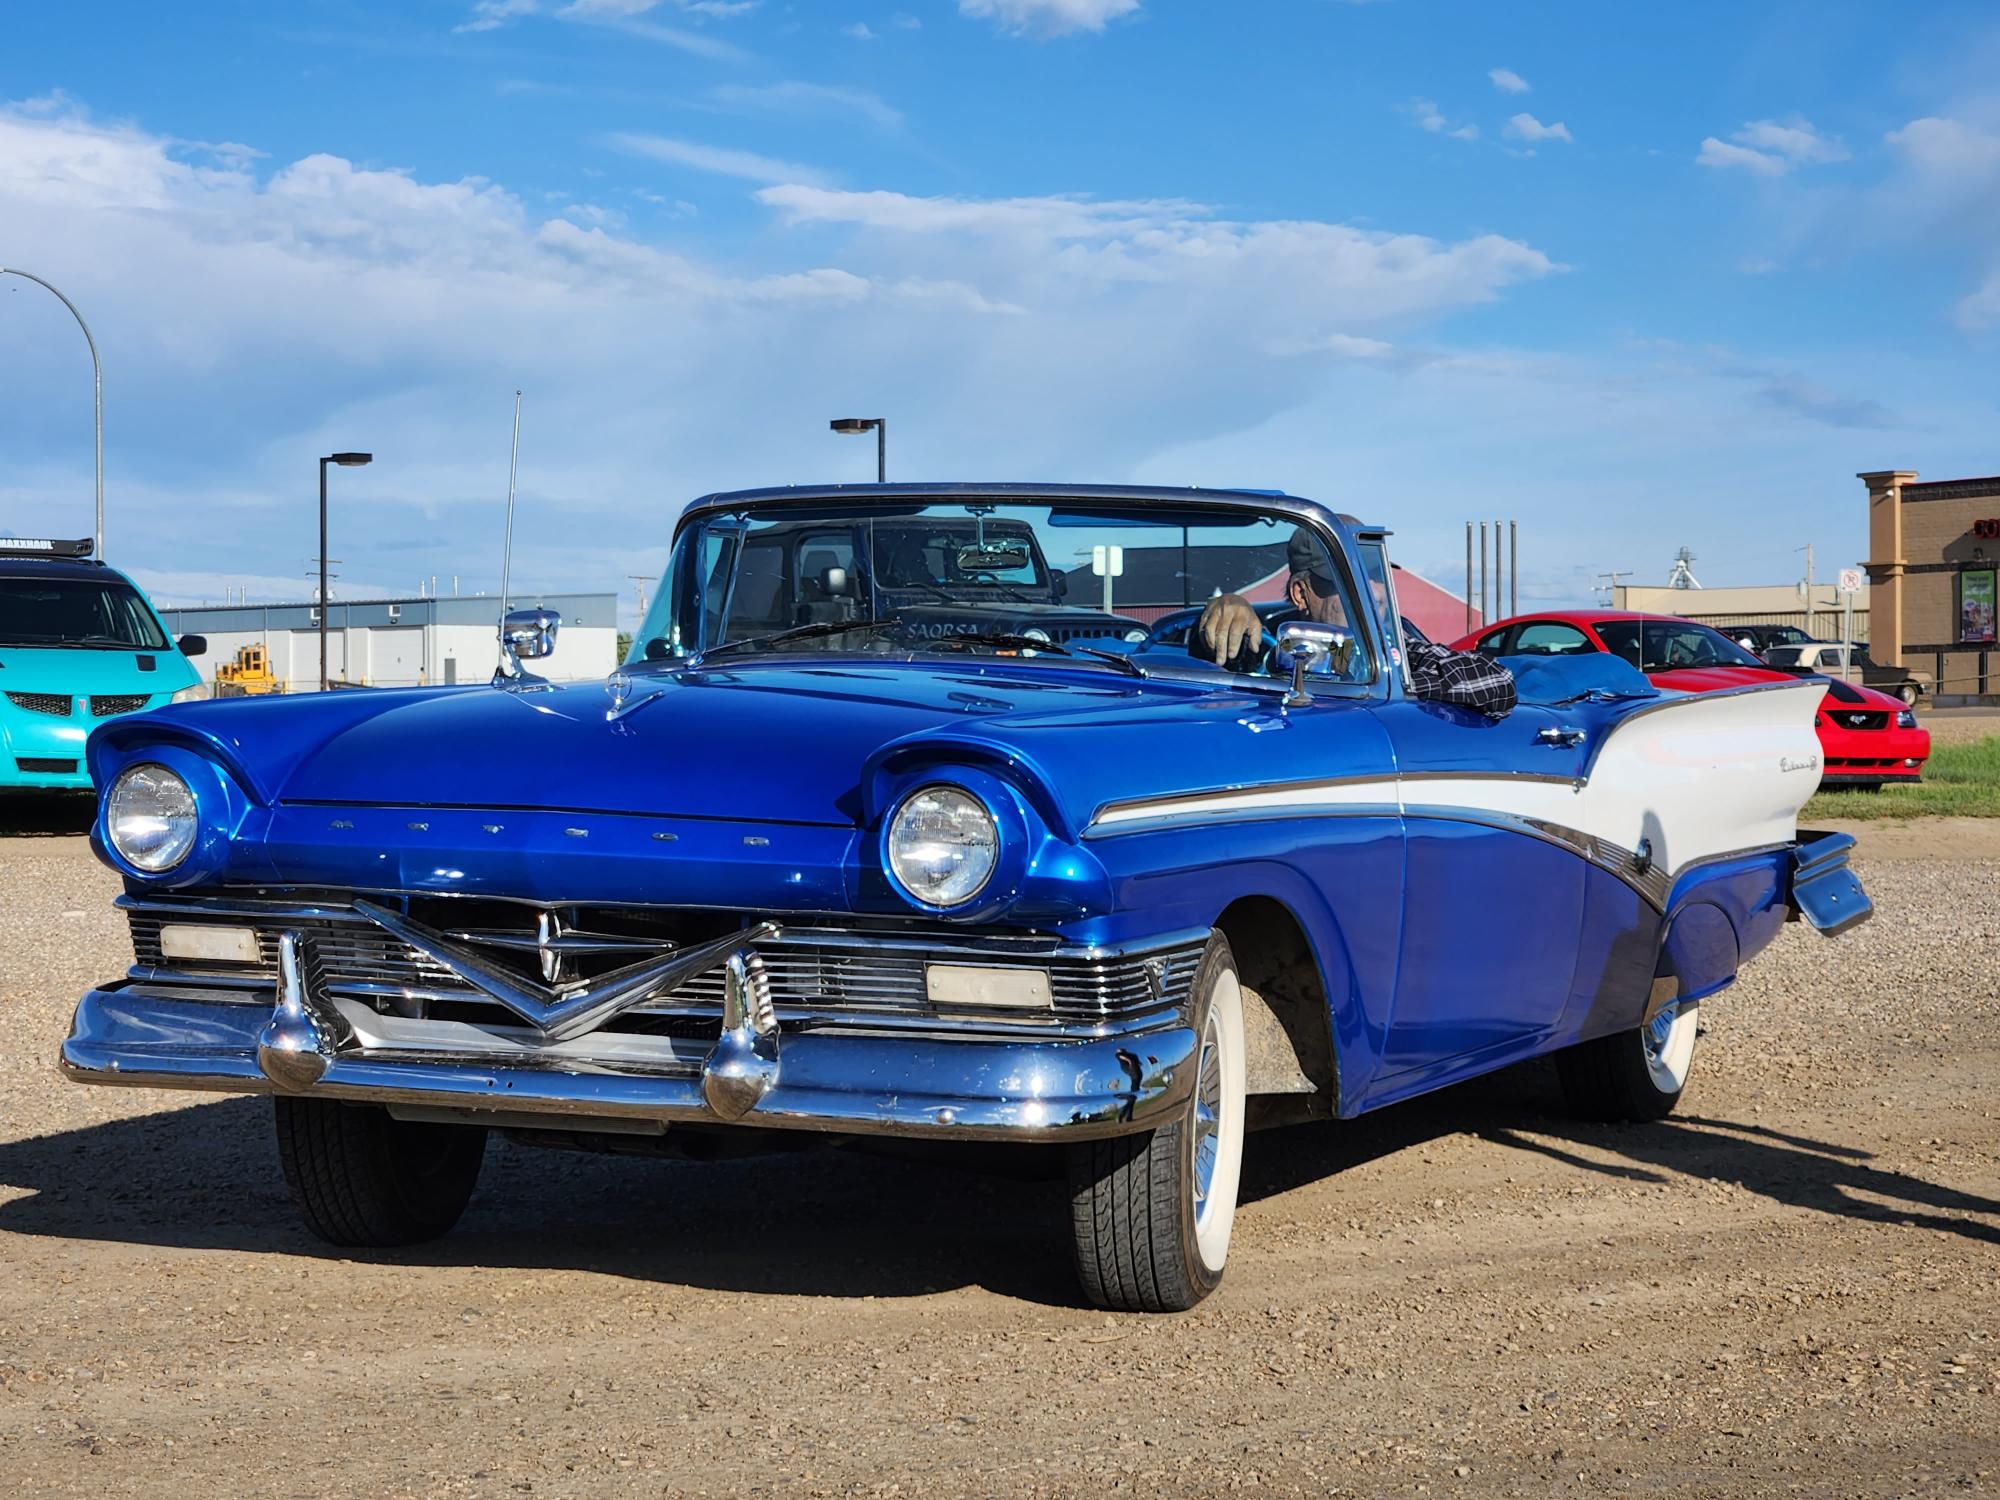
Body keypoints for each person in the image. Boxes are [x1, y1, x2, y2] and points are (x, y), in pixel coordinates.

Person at [1195, 528, 1516, 718]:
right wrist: (1225, 612)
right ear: (1301, 594)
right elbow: (1204, 680)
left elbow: (1496, 682)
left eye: (1376, 576)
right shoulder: (1264, 642)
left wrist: (1380, 679)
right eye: (1350, 582)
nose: (1374, 593)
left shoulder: (1392, 643)